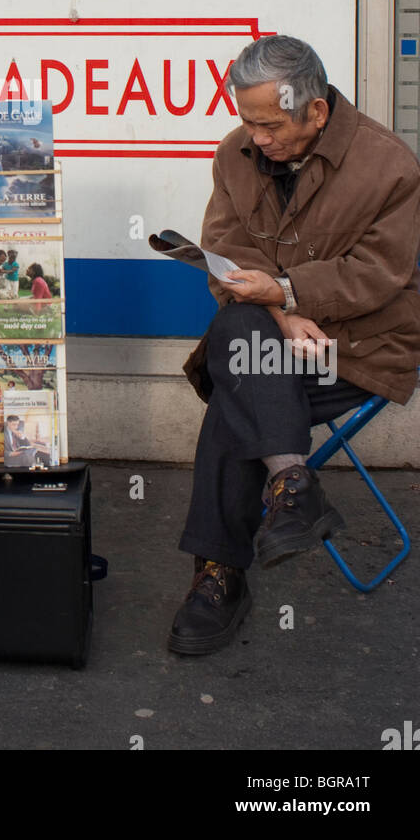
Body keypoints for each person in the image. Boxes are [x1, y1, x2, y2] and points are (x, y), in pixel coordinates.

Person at [168, 35, 420, 656]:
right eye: (247, 120)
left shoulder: (389, 166)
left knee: (238, 387)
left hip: (358, 346)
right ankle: (293, 485)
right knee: (240, 342)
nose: (256, 137)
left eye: (270, 123)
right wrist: (281, 306)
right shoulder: (235, 154)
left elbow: (378, 274)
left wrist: (285, 292)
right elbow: (227, 255)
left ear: (316, 111)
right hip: (270, 338)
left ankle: (219, 576)